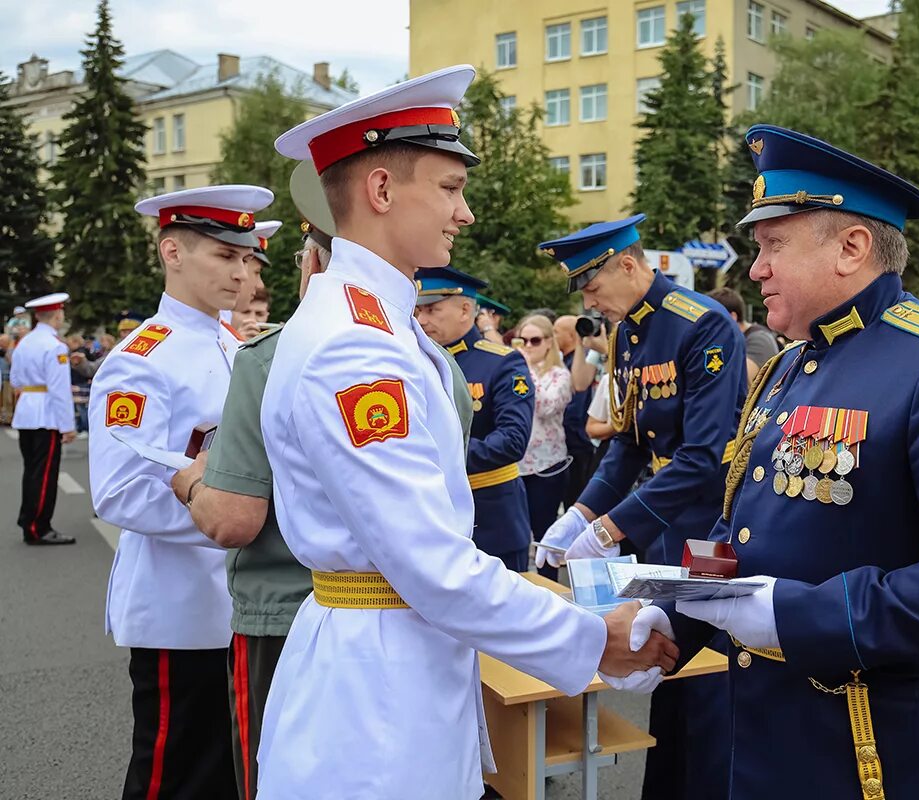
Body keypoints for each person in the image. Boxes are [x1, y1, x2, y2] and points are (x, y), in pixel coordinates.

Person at [260, 66, 676, 800]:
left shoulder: (375, 325)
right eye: (450, 188)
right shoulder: (356, 346)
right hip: (379, 691)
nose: (466, 213)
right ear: (381, 191)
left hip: (396, 657)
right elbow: (430, 563)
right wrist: (590, 636)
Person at [654, 125, 919, 800]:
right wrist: (678, 607)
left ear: (852, 248)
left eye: (773, 245)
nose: (756, 268)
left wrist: (796, 618)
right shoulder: (785, 365)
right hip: (766, 733)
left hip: (877, 747)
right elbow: (737, 531)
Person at [169, 162, 480, 799]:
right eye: (450, 189)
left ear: (313, 266)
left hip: (291, 615)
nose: (463, 211)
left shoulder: (285, 351)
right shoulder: (433, 361)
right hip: (418, 622)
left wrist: (190, 482)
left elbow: (234, 518)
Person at [537, 214, 747, 800]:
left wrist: (607, 527)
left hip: (713, 535)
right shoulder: (628, 333)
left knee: (710, 682)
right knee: (667, 668)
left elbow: (704, 458)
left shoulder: (701, 325)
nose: (587, 298)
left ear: (627, 265)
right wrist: (580, 513)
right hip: (660, 532)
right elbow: (628, 445)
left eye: (591, 283)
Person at [88, 184, 274, 800]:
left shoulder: (232, 344)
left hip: (238, 600)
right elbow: (118, 492)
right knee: (173, 775)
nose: (242, 271)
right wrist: (225, 512)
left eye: (247, 258)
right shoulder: (141, 361)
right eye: (225, 256)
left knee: (227, 772)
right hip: (180, 607)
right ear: (173, 251)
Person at [414, 267, 537, 572]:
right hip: (431, 515)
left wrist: (439, 459)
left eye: (432, 309)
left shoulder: (501, 362)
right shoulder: (414, 360)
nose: (421, 319)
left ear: (465, 308)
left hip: (492, 516)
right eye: (416, 310)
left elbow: (512, 439)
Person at [11, 292, 77, 545]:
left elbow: (16, 381)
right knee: (44, 474)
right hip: (46, 414)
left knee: (31, 471)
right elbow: (59, 390)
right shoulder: (54, 346)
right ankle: (39, 526)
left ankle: (28, 518)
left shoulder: (24, 343)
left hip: (26, 411)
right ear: (57, 315)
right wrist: (68, 426)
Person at [513, 313, 573, 577]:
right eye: (521, 340)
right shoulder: (514, 371)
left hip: (547, 465)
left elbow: (547, 406)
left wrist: (526, 371)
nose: (527, 346)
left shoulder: (559, 374)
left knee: (546, 535)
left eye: (534, 340)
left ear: (549, 342)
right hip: (516, 464)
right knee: (515, 533)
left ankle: (550, 589)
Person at [553, 314, 598, 508]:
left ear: (572, 336)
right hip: (574, 441)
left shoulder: (588, 359)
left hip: (579, 442)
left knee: (577, 498)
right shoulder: (564, 360)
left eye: (556, 332)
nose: (552, 336)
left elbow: (576, 402)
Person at [707, 285, 781, 381]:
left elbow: (738, 380)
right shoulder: (738, 339)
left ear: (731, 317)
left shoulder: (759, 340)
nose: (708, 325)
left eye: (711, 319)